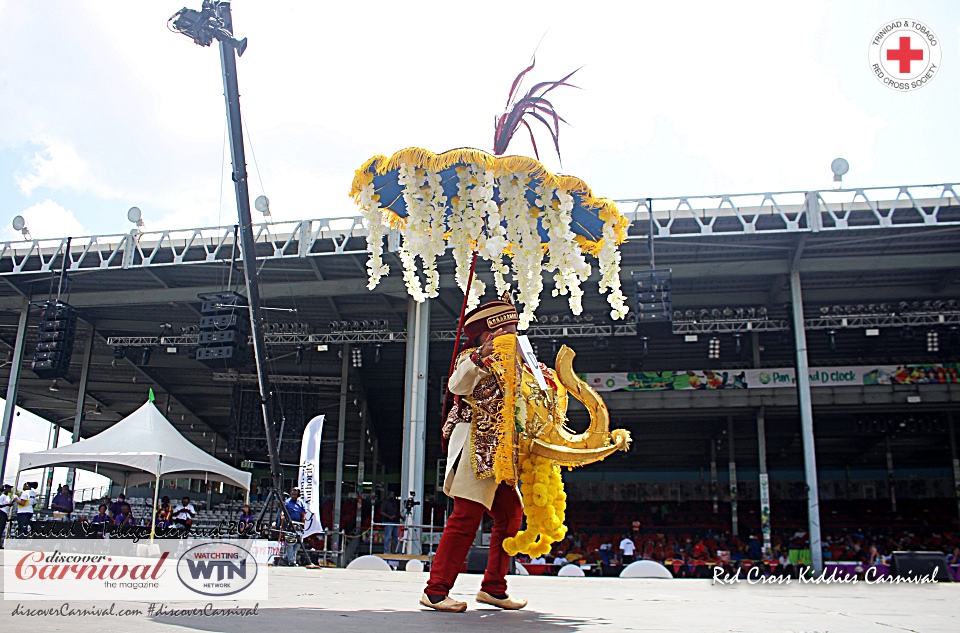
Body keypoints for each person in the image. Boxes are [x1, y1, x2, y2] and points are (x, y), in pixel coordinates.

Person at [422, 297, 526, 612]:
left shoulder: (516, 363)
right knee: (466, 516)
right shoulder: (471, 357)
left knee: (510, 516)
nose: (513, 335)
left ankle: (494, 587)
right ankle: (436, 590)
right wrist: (481, 356)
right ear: (488, 334)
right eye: (507, 329)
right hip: (475, 444)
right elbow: (457, 383)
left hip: (503, 450)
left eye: (514, 329)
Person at [279, 487, 308, 566]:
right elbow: (282, 512)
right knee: (289, 543)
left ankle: (286, 557)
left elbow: (303, 515)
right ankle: (292, 561)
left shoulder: (301, 503)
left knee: (298, 544)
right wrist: (282, 517)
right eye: (292, 494)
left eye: (295, 494)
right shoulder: (287, 502)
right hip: (289, 525)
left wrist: (303, 525)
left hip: (298, 525)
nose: (293, 495)